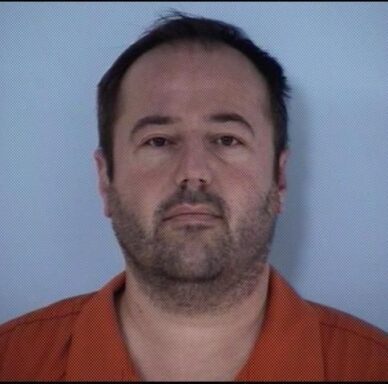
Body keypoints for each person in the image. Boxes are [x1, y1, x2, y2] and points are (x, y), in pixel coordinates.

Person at [0, 12, 387, 381]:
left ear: (280, 177)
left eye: (226, 139)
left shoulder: (372, 367)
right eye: (159, 141)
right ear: (105, 180)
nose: (193, 172)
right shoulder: (12, 360)